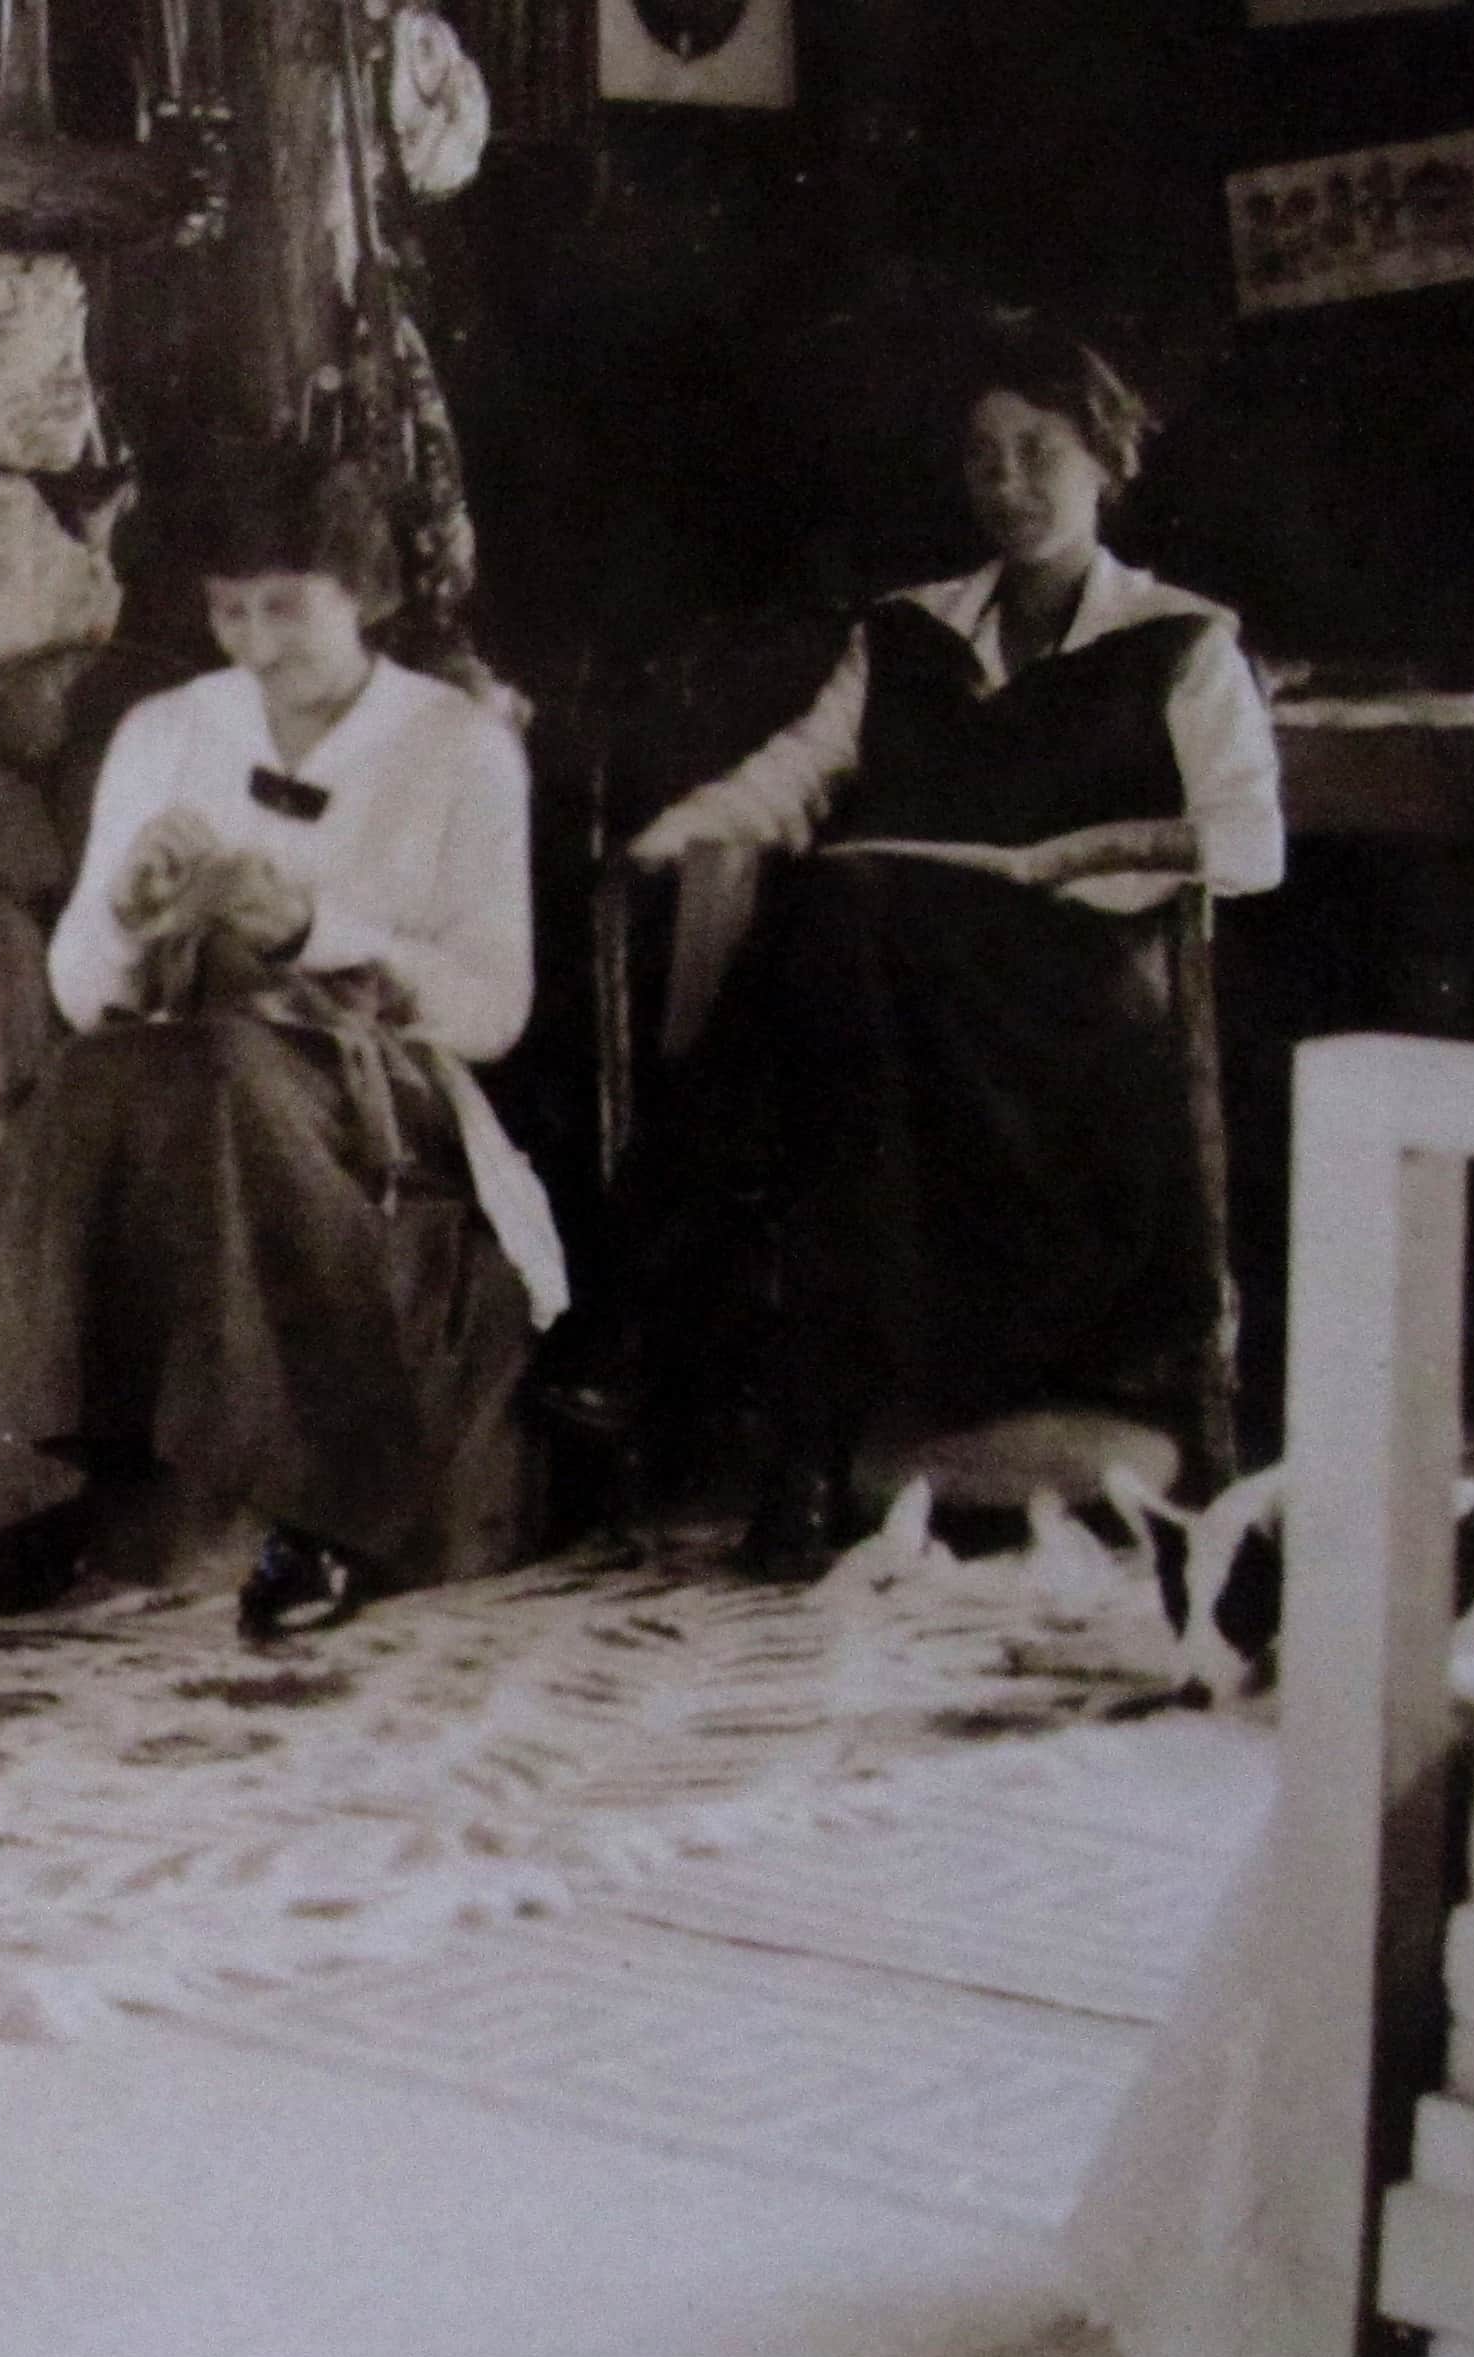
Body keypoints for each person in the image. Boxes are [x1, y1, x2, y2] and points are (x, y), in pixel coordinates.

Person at [588, 310, 1285, 1579]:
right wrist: (677, 836)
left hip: (1075, 998)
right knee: (837, 943)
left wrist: (1079, 858)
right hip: (898, 992)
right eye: (982, 458)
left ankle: (637, 1314)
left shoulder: (1180, 640)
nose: (1007, 484)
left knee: (831, 931)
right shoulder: (905, 632)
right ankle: (804, 1440)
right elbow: (794, 775)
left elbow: (1246, 842)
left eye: (1037, 451)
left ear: (1104, 458)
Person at [0, 455, 565, 1635]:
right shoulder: (168, 733)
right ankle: (33, 1501)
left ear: (363, 592)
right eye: (229, 609)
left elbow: (496, 1006)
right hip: (186, 1058)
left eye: (286, 607)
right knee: (86, 1082)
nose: (254, 645)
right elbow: (81, 996)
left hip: (376, 1081)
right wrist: (125, 910)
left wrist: (310, 929)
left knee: (220, 1079)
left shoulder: (454, 745)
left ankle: (317, 1514)